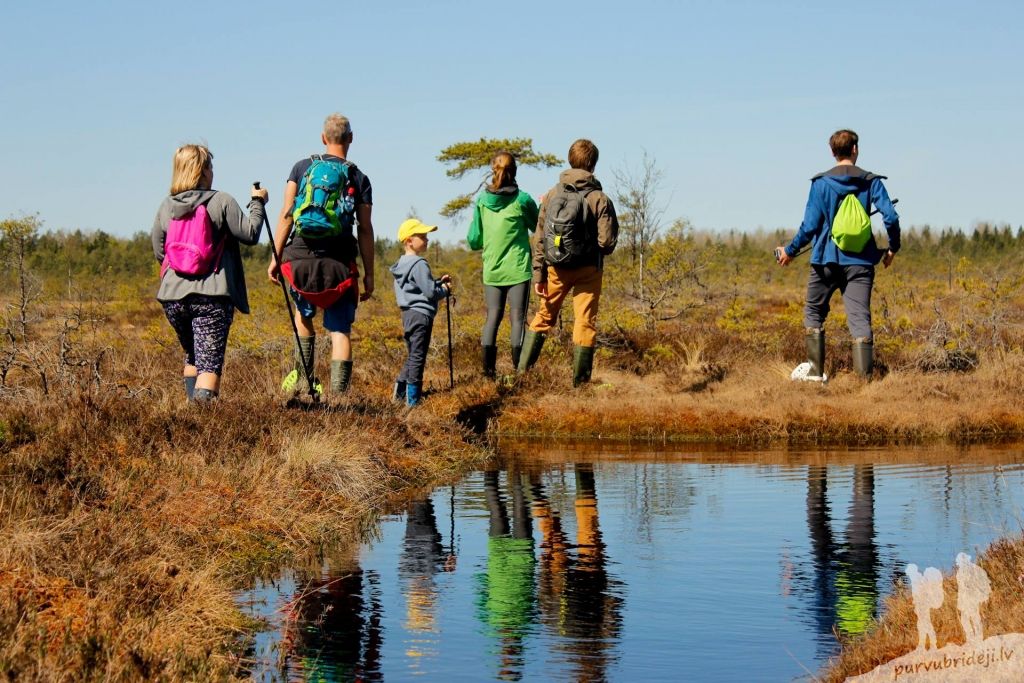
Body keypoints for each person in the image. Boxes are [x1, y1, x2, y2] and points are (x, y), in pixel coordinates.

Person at [776, 129, 900, 379]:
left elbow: (809, 227)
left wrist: (788, 251)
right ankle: (863, 383)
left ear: (833, 152)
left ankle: (814, 373)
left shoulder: (820, 183)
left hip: (825, 260)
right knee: (859, 318)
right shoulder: (871, 181)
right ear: (855, 149)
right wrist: (891, 248)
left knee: (813, 312)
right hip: (861, 262)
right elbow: (891, 216)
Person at [268, 113, 375, 397]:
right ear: (350, 138)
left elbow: (286, 215)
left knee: (304, 319)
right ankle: (339, 398)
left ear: (323, 138)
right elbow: (365, 229)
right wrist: (370, 275)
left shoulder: (302, 168)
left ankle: (304, 384)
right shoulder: (359, 178)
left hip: (299, 259)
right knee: (340, 332)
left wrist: (275, 258)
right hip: (339, 264)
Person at [151, 143, 267, 402]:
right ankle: (202, 426)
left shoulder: (166, 206)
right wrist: (258, 203)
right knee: (209, 364)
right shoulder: (221, 200)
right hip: (212, 297)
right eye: (210, 166)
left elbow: (160, 252)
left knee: (194, 354)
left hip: (173, 298)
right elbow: (250, 234)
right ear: (201, 172)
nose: (212, 172)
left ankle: (192, 423)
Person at [518, 139, 619, 387]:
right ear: (593, 165)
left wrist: (539, 275)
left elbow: (540, 237)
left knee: (543, 317)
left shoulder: (552, 194)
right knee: (584, 322)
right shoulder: (600, 198)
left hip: (556, 269)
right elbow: (606, 243)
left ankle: (521, 375)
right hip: (588, 271)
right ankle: (580, 385)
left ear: (569, 161)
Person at [466, 152, 539, 377]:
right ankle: (520, 374)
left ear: (492, 171)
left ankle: (488, 375)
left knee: (492, 318)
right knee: (518, 319)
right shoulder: (523, 200)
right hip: (518, 269)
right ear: (514, 171)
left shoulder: (481, 201)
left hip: (493, 270)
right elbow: (537, 225)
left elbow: (474, 240)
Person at [389, 219, 452, 406]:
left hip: (408, 314)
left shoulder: (402, 263)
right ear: (409, 241)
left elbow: (418, 286)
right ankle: (413, 402)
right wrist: (445, 289)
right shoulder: (419, 264)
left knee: (412, 355)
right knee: (418, 357)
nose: (427, 239)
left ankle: (399, 395)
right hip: (421, 315)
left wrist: (438, 281)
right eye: (422, 236)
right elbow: (431, 293)